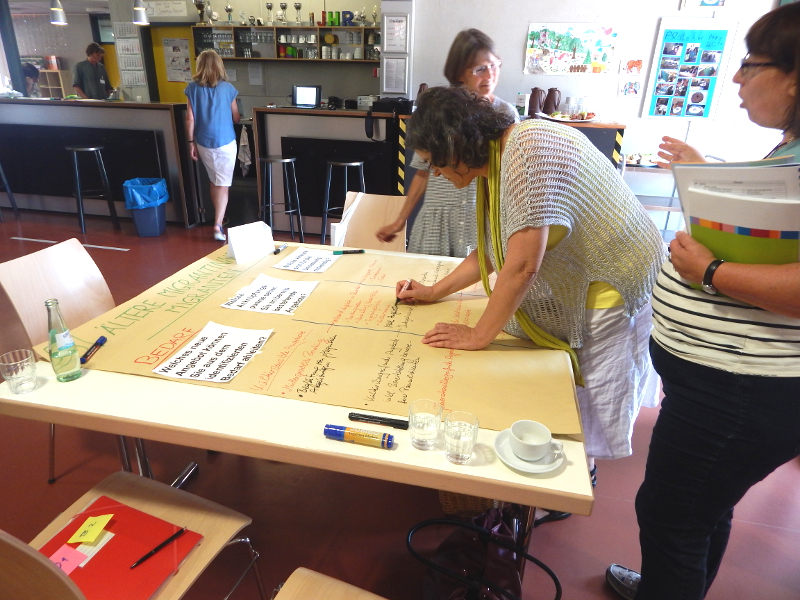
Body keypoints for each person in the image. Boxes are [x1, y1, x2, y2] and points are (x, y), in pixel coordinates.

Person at [606, 4, 800, 600]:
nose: (737, 80)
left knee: (671, 519)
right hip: (720, 383)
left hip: (740, 390)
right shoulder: (788, 150)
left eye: (750, 65)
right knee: (701, 512)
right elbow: (770, 232)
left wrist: (710, 271)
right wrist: (708, 178)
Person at [397, 86, 666, 495]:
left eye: (436, 163)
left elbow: (521, 266)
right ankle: (566, 477)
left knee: (585, 409)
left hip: (613, 282)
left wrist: (478, 334)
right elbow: (493, 250)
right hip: (588, 280)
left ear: (455, 146)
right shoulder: (498, 157)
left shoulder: (526, 151)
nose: (435, 173)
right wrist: (435, 291)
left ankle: (576, 482)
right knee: (567, 396)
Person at [375, 29, 519, 258]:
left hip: (479, 215)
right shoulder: (440, 111)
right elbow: (423, 171)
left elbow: (509, 173)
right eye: (480, 69)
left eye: (494, 65)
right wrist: (400, 220)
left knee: (475, 282)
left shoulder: (505, 113)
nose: (490, 75)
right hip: (438, 216)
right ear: (460, 72)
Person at [184, 49, 240, 241]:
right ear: (219, 66)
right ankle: (217, 225)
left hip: (203, 141)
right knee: (223, 184)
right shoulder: (228, 89)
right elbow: (236, 116)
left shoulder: (191, 89)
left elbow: (190, 119)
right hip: (225, 141)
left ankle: (219, 219)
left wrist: (191, 142)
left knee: (215, 179)